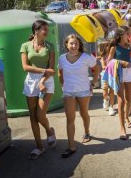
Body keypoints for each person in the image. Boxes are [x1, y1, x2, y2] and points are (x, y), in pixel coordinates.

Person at [58, 34, 99, 158]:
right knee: (70, 119)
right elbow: (60, 73)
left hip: (83, 90)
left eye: (76, 43)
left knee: (84, 113)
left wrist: (93, 82)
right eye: (71, 43)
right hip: (68, 92)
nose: (74, 46)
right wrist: (63, 85)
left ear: (79, 45)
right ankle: (71, 146)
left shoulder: (86, 57)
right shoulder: (62, 58)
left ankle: (87, 132)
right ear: (66, 45)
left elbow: (97, 68)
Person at [20, 20, 56, 160]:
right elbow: (25, 67)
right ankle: (39, 147)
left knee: (40, 116)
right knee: (33, 116)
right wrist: (43, 70)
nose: (46, 31)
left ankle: (49, 130)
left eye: (47, 29)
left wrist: (42, 79)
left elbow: (52, 69)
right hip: (30, 82)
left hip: (46, 81)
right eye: (44, 29)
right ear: (36, 30)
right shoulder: (25, 46)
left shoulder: (50, 46)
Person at [106, 26, 131, 139]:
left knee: (128, 99)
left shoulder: (128, 46)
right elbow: (109, 61)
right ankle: (122, 128)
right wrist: (121, 62)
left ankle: (127, 117)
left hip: (129, 72)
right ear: (121, 35)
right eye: (127, 34)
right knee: (121, 100)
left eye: (129, 34)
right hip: (117, 73)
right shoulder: (114, 46)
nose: (129, 36)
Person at [97, 40, 116, 116]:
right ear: (104, 48)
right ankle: (105, 99)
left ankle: (111, 107)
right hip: (105, 75)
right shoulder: (103, 57)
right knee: (105, 92)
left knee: (112, 91)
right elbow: (103, 66)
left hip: (112, 75)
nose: (110, 47)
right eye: (108, 46)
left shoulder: (113, 55)